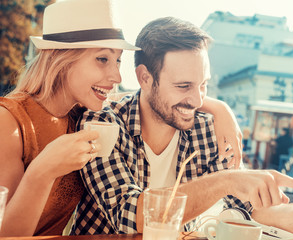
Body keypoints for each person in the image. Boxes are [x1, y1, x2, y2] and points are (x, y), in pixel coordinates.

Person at [71, 17, 293, 236]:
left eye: (203, 85)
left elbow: (242, 206)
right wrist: (226, 181)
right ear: (144, 78)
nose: (197, 100)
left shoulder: (204, 129)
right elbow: (130, 216)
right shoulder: (103, 126)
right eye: (183, 86)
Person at [0, 1, 248, 237]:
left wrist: (220, 109)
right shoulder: (9, 122)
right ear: (60, 57)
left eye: (118, 60)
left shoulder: (82, 116)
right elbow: (7, 235)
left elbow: (155, 95)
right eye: (102, 59)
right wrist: (42, 170)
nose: (117, 76)